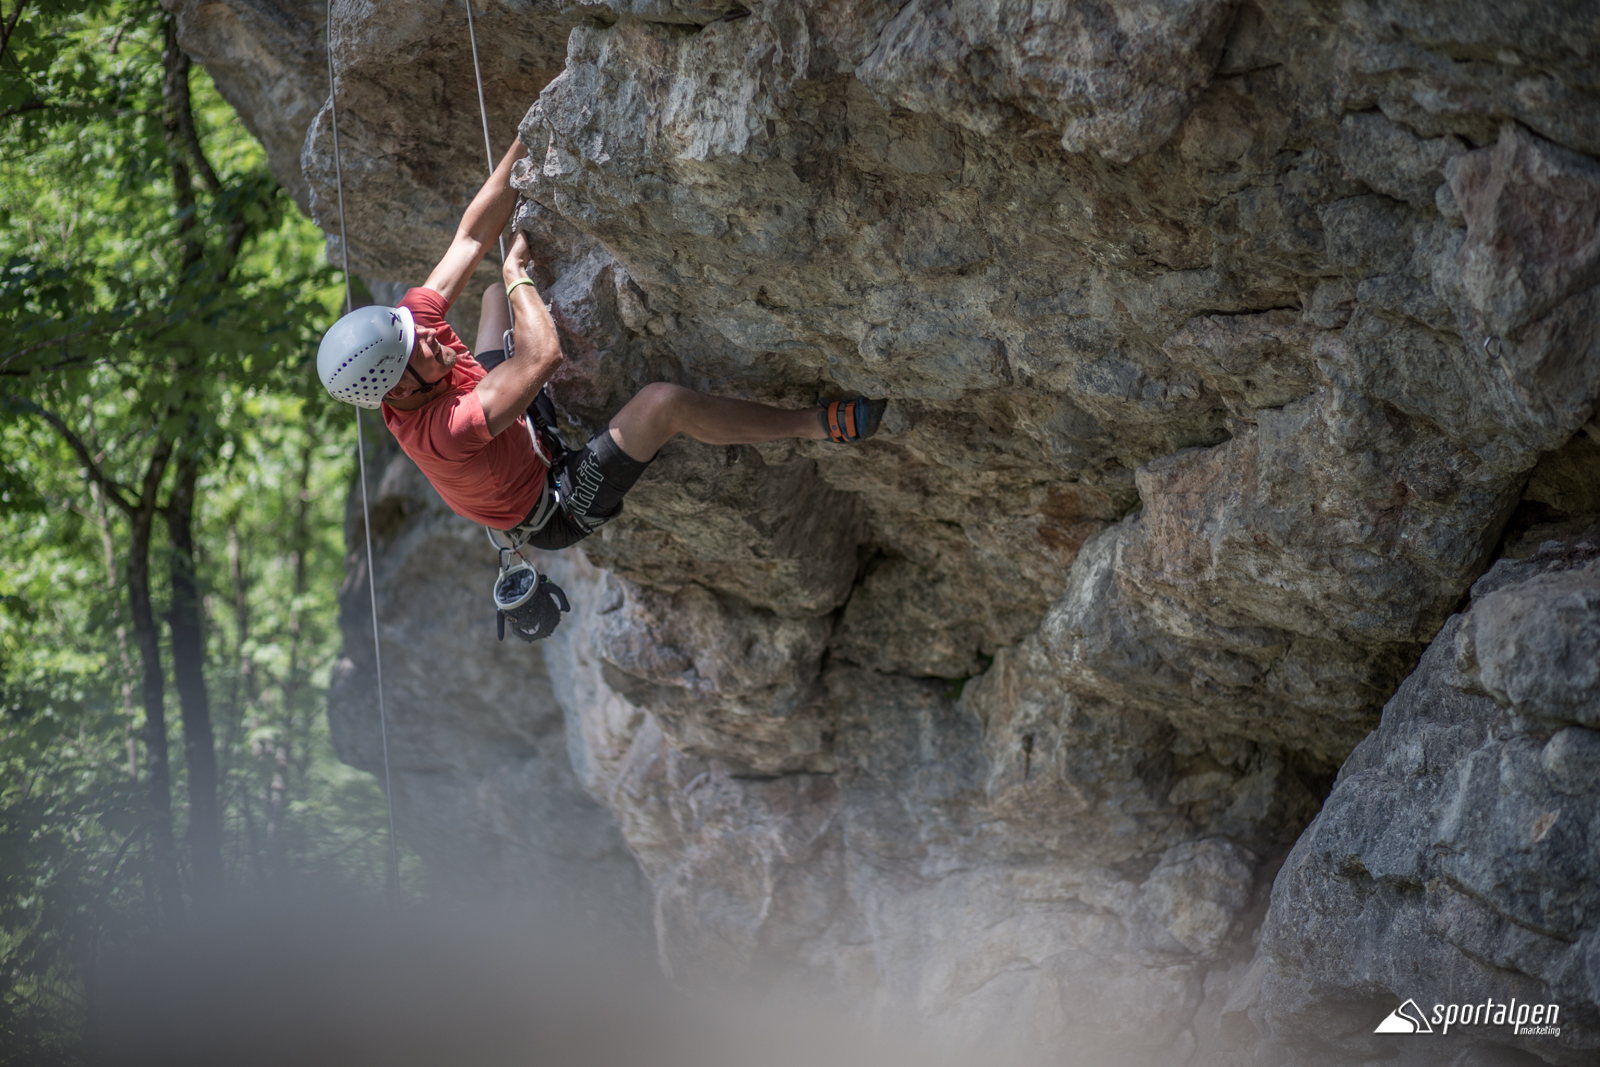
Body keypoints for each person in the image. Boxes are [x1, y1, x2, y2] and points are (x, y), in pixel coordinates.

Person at [316, 138, 885, 552]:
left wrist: (524, 140)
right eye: (420, 352)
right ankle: (815, 423)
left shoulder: (408, 334)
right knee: (663, 404)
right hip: (551, 502)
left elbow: (469, 236)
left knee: (486, 295)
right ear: (399, 387)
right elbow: (542, 357)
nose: (434, 340)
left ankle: (516, 358)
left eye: (419, 333)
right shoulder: (443, 434)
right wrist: (519, 274)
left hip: (510, 426)